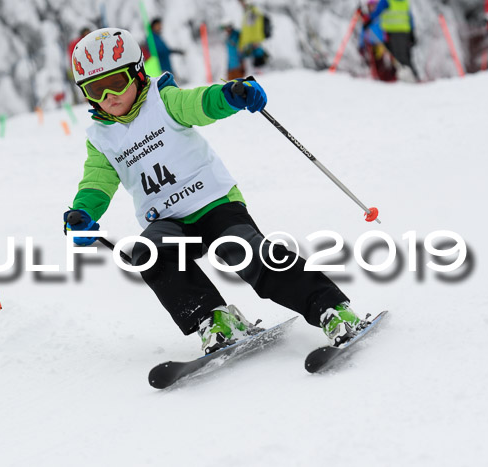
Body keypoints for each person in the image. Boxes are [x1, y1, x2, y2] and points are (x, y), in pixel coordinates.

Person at [64, 28, 368, 355]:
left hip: (214, 203)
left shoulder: (163, 100)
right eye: (96, 89)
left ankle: (331, 308)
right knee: (148, 252)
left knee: (243, 251)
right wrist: (83, 214)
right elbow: (96, 181)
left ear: (138, 74)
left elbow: (200, 103)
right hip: (168, 221)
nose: (108, 96)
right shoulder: (101, 139)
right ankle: (214, 319)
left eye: (116, 82)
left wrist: (230, 96)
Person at [364, 0, 419, 81]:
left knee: (399, 58)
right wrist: (412, 32)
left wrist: (369, 20)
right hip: (404, 31)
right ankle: (413, 78)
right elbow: (409, 17)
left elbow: (377, 11)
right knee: (405, 57)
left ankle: (411, 79)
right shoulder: (404, 1)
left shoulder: (386, 1)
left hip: (393, 32)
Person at [359, 0, 396, 81]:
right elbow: (362, 33)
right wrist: (361, 45)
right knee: (376, 64)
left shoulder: (382, 17)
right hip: (372, 45)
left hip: (384, 44)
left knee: (389, 63)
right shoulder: (367, 19)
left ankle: (391, 79)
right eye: (371, 6)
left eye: (374, 6)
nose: (373, 8)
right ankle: (379, 79)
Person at [238, 0, 269, 68]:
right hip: (248, 44)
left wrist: (257, 40)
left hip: (254, 44)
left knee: (258, 66)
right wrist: (241, 45)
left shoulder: (253, 11)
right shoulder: (247, 12)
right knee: (252, 68)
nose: (240, 4)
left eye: (242, 2)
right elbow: (246, 30)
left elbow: (257, 27)